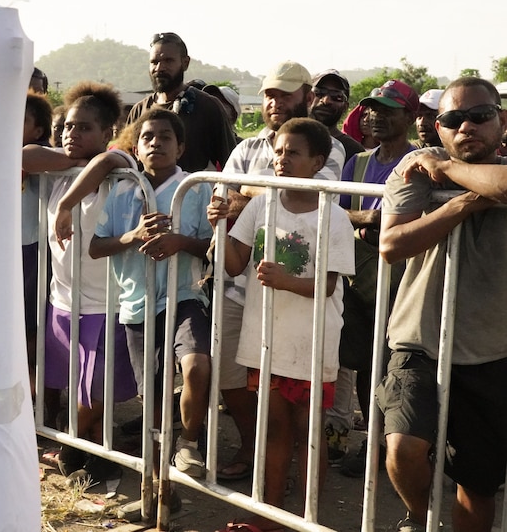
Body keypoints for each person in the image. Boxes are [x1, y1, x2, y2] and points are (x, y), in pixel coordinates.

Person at [209, 118, 354, 532]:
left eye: (293, 153)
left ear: (317, 162)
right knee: (273, 427)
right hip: (267, 339)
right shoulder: (260, 205)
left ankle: (307, 517)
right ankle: (271, 512)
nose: (281, 159)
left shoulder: (333, 215)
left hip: (311, 343)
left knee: (309, 433)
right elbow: (235, 263)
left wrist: (285, 280)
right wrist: (218, 225)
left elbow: (327, 284)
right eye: (278, 151)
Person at [376, 76, 507, 532]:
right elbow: (391, 244)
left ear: (501, 121)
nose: (466, 126)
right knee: (402, 447)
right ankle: (418, 515)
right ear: (438, 126)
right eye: (452, 119)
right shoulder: (414, 166)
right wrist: (460, 206)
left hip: (491, 349)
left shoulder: (436, 166)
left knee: (478, 483)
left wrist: (448, 172)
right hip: (419, 338)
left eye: (479, 116)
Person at [90, 108, 212, 519]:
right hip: (138, 307)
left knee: (196, 366)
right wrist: (132, 235)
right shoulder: (124, 191)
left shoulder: (195, 189)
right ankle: (158, 489)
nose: (155, 143)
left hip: (184, 297)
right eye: (147, 137)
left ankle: (189, 443)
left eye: (165, 137)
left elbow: (212, 245)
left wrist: (181, 241)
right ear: (136, 146)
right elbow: (96, 244)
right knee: (154, 403)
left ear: (181, 146)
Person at [22, 81, 137, 487]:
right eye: (68, 126)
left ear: (107, 132)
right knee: (78, 384)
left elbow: (105, 163)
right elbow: (24, 156)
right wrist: (64, 158)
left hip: (105, 301)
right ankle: (95, 455)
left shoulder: (120, 168)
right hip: (64, 299)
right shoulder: (60, 171)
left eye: (85, 128)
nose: (73, 134)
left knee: (94, 388)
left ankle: (72, 447)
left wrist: (69, 203)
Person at [334, 80, 419, 477]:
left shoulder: (421, 161)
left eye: (388, 109)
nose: (376, 116)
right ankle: (375, 442)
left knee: (402, 367)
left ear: (410, 116)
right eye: (372, 108)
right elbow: (338, 214)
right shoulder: (360, 162)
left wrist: (374, 225)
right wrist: (369, 219)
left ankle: (410, 447)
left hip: (406, 282)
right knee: (367, 366)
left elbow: (415, 220)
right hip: (360, 282)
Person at [126, 32, 236, 172]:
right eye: (154, 62)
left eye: (168, 61)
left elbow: (231, 164)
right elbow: (128, 162)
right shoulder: (139, 111)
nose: (160, 68)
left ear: (185, 63)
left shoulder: (207, 106)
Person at [21, 91, 53, 400]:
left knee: (30, 330)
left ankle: (34, 401)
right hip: (3, 254)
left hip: (29, 252)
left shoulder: (36, 155)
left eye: (23, 119)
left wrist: (79, 156)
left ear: (39, 130)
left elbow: (27, 157)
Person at [309, 70, 365, 163]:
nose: (326, 101)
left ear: (345, 107)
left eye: (337, 96)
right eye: (319, 93)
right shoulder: (288, 140)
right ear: (308, 98)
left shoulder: (354, 152)